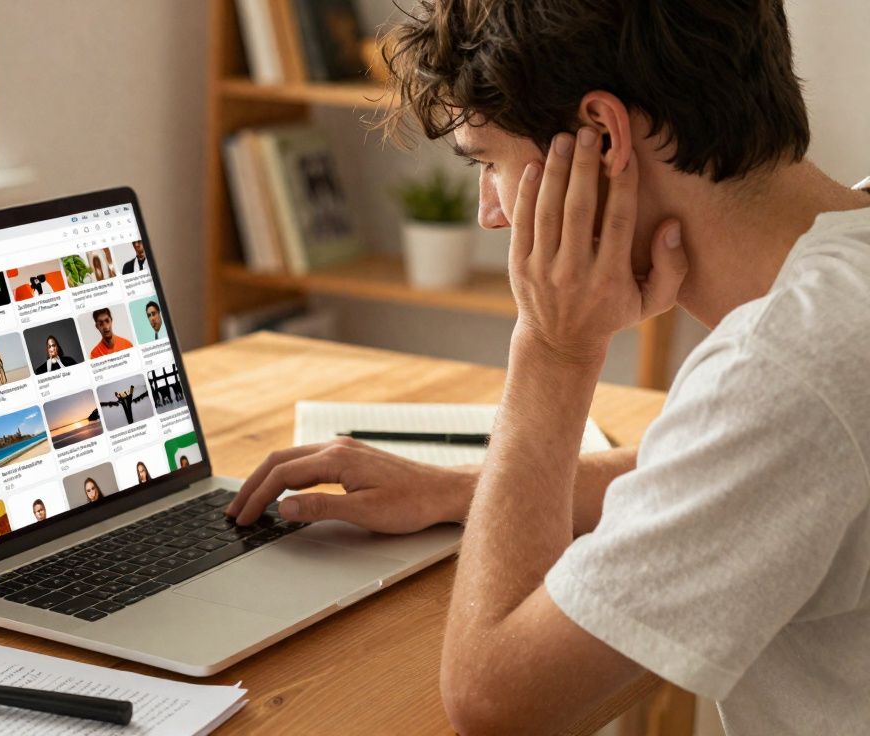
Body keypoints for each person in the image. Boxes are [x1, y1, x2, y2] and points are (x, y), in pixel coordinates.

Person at [224, 3, 870, 734]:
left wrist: (553, 349)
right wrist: (454, 489)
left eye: (488, 163)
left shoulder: (788, 364)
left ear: (602, 137)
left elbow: (494, 702)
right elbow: (728, 465)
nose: (490, 213)